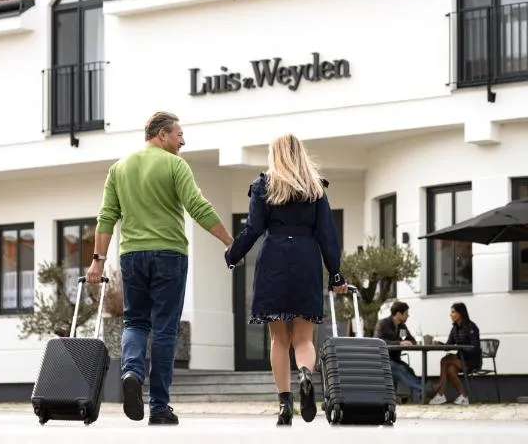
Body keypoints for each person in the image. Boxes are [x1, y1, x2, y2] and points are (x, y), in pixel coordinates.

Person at [86, 111, 233, 426]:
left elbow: (106, 217)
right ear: (163, 135)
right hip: (169, 255)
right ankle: (160, 407)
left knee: (135, 323)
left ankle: (131, 373)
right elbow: (197, 206)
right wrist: (229, 241)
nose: (183, 141)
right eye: (180, 134)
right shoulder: (175, 165)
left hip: (132, 256)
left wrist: (97, 260)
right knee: (165, 329)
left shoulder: (119, 168)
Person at [225, 133, 347, 426]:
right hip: (306, 258)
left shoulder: (264, 186)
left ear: (274, 154)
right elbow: (327, 235)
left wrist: (233, 254)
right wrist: (336, 273)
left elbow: (253, 228)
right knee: (304, 338)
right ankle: (305, 374)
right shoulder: (316, 187)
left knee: (279, 339)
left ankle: (284, 404)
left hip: (274, 260)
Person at [428, 302, 482, 406]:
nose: (450, 315)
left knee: (446, 360)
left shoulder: (471, 327)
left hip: (472, 361)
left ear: (460, 313)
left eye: (453, 312)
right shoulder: (455, 328)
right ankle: (464, 397)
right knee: (450, 370)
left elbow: (475, 348)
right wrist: (438, 344)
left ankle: (440, 392)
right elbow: (449, 345)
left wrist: (461, 349)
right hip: (460, 360)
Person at [375, 301, 424, 402]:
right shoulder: (383, 323)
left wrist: (410, 342)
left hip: (394, 359)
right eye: (406, 313)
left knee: (409, 370)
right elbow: (379, 341)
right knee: (400, 368)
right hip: (382, 360)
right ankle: (422, 391)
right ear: (398, 314)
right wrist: (399, 343)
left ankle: (418, 396)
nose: (408, 316)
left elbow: (411, 340)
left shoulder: (402, 326)